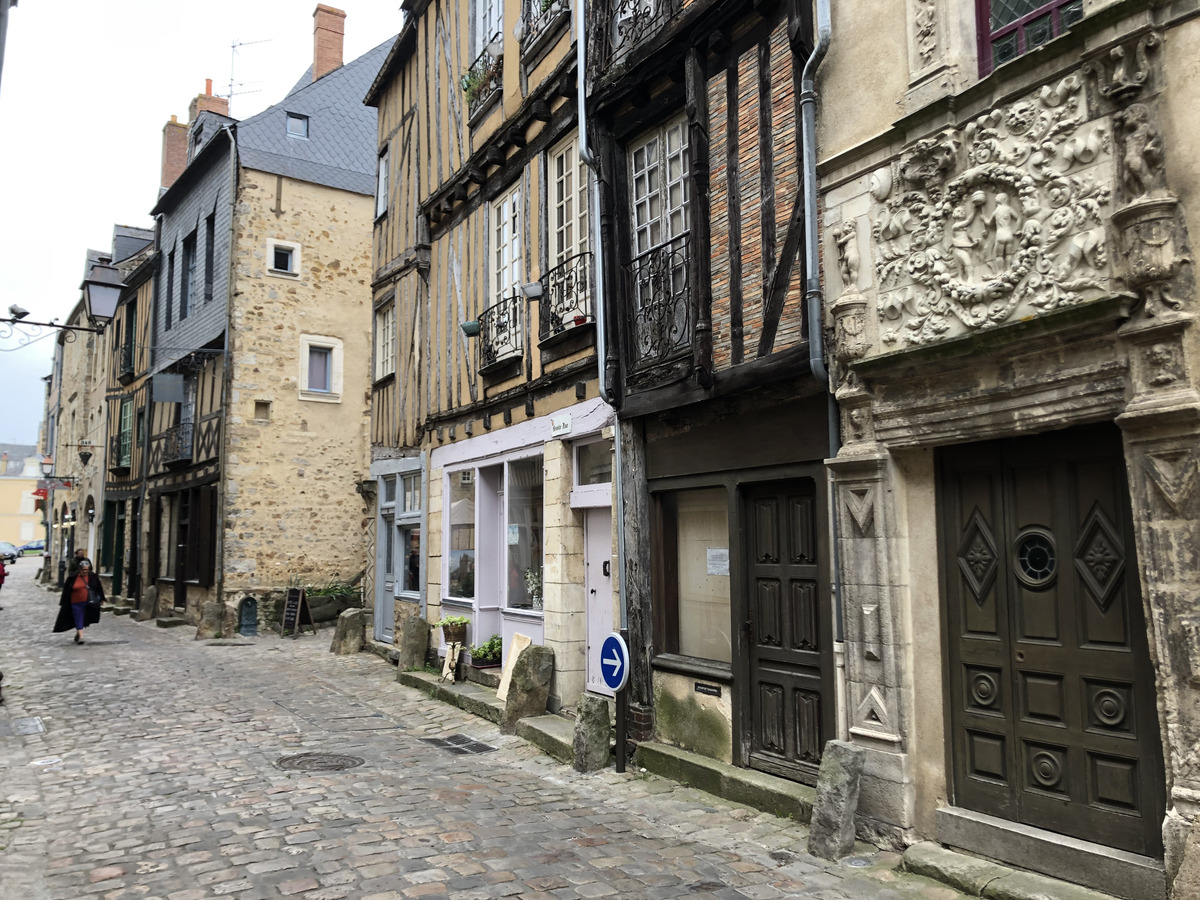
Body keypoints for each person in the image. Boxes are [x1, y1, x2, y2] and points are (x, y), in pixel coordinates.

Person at [53, 557, 103, 644]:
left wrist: (101, 598)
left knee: (85, 619)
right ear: (79, 569)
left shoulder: (92, 577)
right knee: (78, 617)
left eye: (87, 569)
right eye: (83, 569)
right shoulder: (73, 578)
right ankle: (81, 637)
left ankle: (78, 632)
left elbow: (98, 588)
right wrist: (63, 602)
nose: (85, 571)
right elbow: (66, 590)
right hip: (75, 602)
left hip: (88, 602)